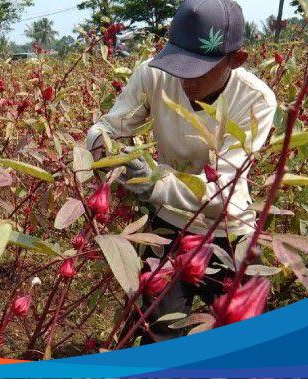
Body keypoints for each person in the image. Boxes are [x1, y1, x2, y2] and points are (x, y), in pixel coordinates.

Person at [86, 0, 277, 343]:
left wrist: (155, 182)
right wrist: (110, 159)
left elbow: (225, 188)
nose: (184, 77)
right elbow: (106, 129)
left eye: (199, 68)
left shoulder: (256, 100)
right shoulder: (154, 72)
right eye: (178, 63)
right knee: (157, 329)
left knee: (246, 335)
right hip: (169, 223)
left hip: (230, 229)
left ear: (237, 60)